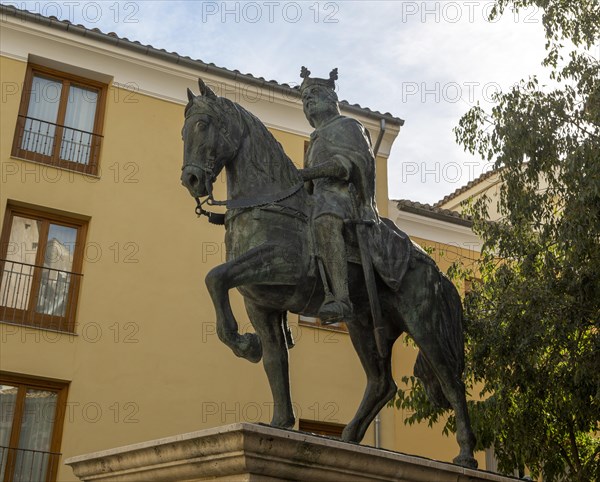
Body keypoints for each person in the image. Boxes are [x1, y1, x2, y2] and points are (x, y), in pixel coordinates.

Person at [298, 67, 380, 323]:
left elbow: (353, 163)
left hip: (344, 197)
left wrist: (307, 174)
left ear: (331, 100)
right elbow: (309, 186)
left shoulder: (348, 126)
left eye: (313, 94)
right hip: (319, 196)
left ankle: (341, 299)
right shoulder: (315, 139)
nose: (307, 101)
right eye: (304, 98)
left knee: (324, 218)